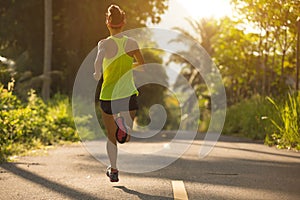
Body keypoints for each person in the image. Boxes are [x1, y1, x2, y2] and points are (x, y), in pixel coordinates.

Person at [93, 4, 144, 182]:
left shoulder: (104, 43)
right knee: (125, 137)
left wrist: (97, 73)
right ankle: (125, 128)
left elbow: (98, 61)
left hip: (108, 95)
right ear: (124, 22)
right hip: (128, 94)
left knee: (111, 136)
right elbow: (142, 65)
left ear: (108, 22)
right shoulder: (131, 43)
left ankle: (113, 170)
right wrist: (130, 66)